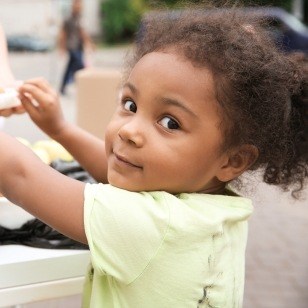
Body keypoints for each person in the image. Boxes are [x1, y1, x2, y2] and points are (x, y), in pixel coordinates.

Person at [0, 8, 307, 307]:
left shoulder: (157, 229)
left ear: (234, 161)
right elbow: (120, 173)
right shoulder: (214, 208)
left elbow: (19, 175)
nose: (129, 131)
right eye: (130, 104)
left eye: (170, 123)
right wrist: (61, 129)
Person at [58, 0, 93, 95]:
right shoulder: (68, 19)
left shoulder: (80, 18)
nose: (78, 6)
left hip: (79, 47)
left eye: (80, 5)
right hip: (72, 47)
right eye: (77, 4)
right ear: (73, 6)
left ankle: (62, 87)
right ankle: (84, 86)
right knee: (80, 66)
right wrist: (61, 48)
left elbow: (83, 33)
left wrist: (89, 44)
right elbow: (63, 34)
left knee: (69, 68)